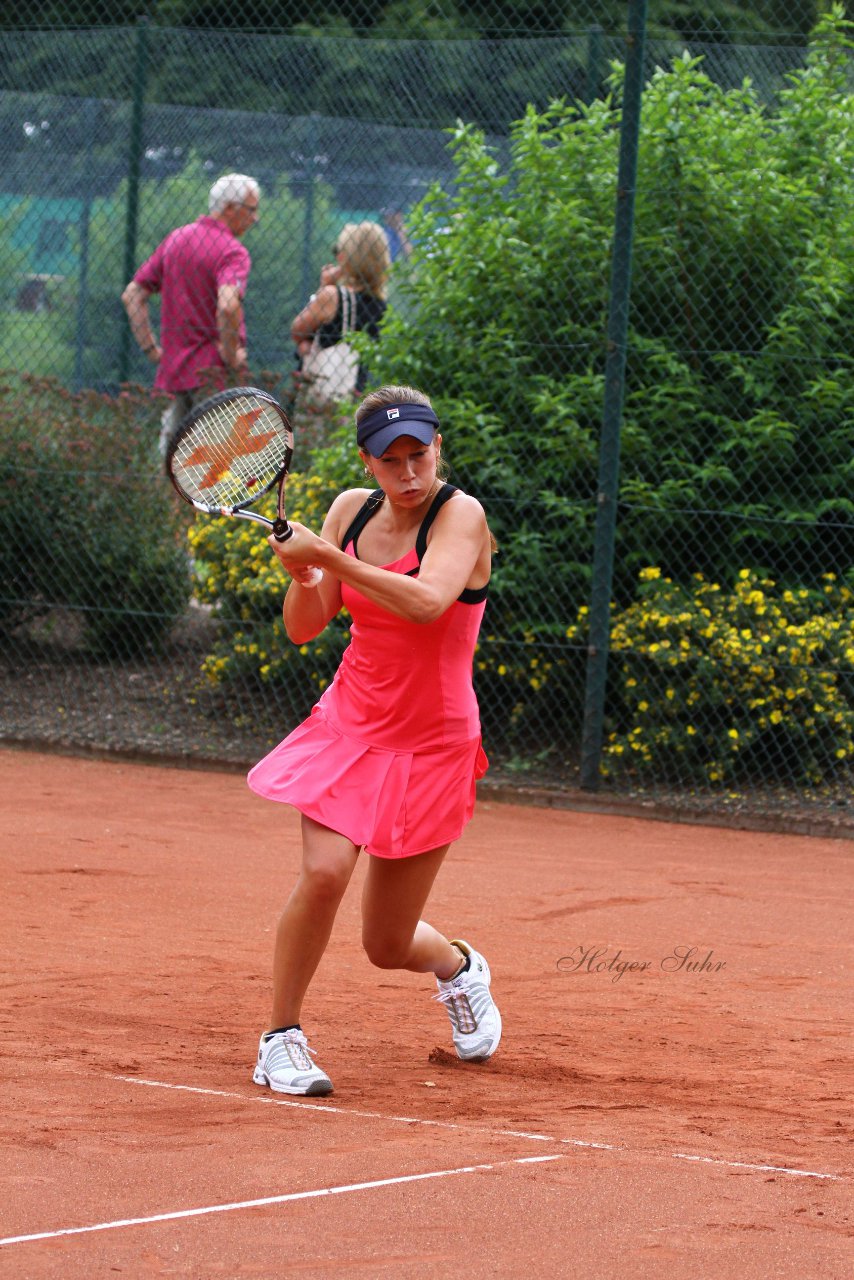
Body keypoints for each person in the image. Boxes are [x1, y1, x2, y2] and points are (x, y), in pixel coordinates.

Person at [247, 383, 501, 1096]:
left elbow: (425, 603)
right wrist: (304, 574)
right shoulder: (349, 512)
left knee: (387, 943)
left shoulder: (463, 517)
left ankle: (457, 968)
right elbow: (305, 626)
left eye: (420, 455)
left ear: (438, 448)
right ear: (369, 461)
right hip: (350, 726)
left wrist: (334, 560)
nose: (410, 474)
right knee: (325, 872)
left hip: (433, 745)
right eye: (392, 462)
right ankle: (280, 1040)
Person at [121, 173, 260, 455]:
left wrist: (151, 349)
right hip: (212, 377)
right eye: (251, 210)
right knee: (213, 467)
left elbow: (133, 295)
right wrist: (232, 356)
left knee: (172, 462)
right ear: (230, 208)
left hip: (173, 373)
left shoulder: (177, 239)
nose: (255, 218)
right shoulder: (233, 252)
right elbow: (228, 305)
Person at [290, 220, 389, 412]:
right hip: (356, 394)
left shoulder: (333, 296)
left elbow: (297, 330)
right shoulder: (382, 306)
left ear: (348, 258)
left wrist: (324, 287)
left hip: (319, 394)